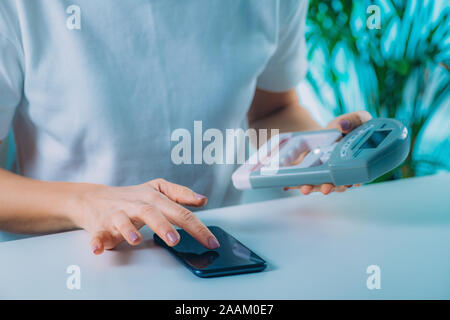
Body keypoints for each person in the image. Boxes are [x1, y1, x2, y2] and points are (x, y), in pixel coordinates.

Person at [0, 0, 371, 254]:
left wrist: (320, 150)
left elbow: (273, 110)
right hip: (77, 258)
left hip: (221, 252)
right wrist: (83, 202)